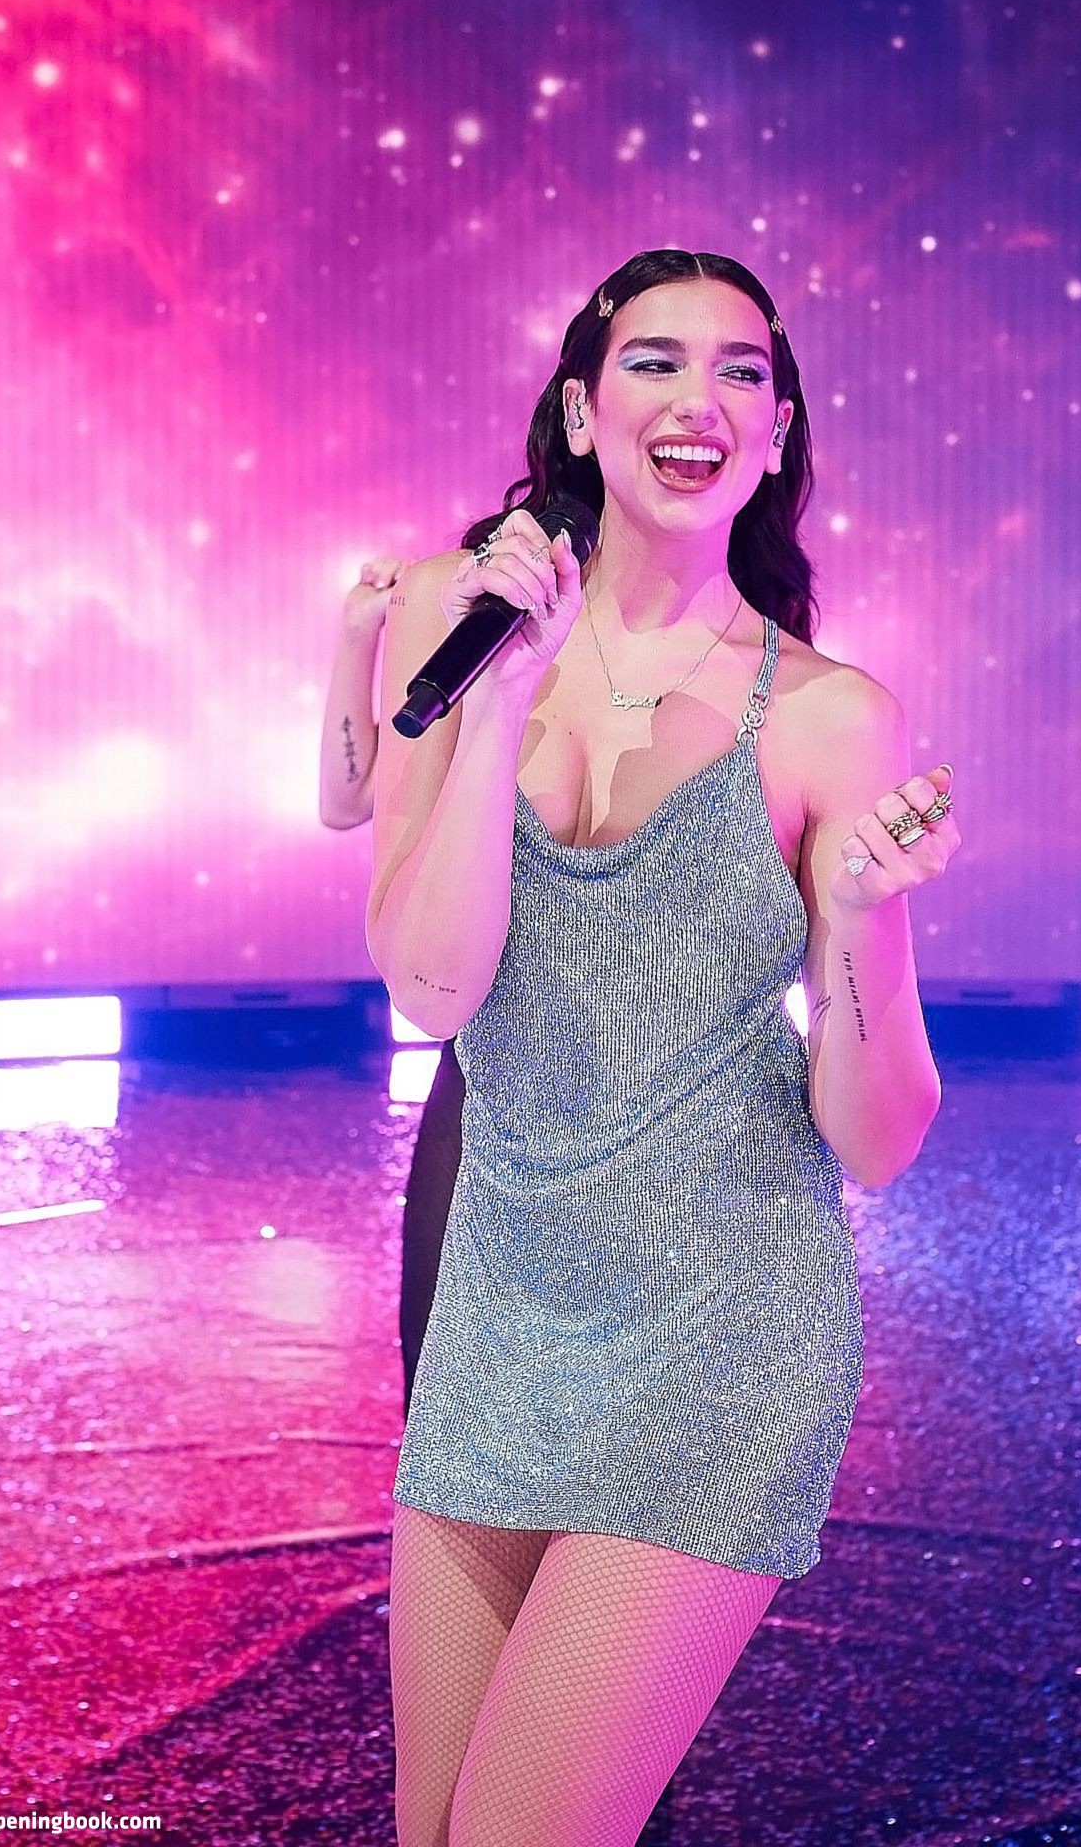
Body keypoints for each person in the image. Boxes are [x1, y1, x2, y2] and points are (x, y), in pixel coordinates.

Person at [367, 248, 962, 1847]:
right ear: (580, 411)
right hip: (504, 1308)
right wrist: (500, 704)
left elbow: (881, 1138)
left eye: (741, 372)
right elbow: (433, 987)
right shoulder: (452, 626)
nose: (699, 399)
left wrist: (866, 918)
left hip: (721, 1330)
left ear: (777, 432)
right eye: (654, 362)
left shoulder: (831, 715)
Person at [317, 557, 464, 1421]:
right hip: (485, 1050)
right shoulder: (474, 633)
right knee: (446, 1403)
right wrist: (357, 637)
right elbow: (345, 800)